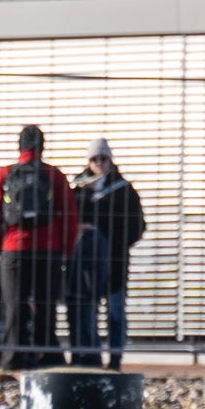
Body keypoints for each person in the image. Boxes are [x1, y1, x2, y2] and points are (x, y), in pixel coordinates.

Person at [0, 123, 73, 362]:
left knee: (14, 305)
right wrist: (65, 248)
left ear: (20, 146)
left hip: (14, 248)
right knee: (46, 305)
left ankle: (13, 357)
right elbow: (69, 214)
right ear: (42, 147)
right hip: (48, 249)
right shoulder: (54, 175)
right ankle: (48, 356)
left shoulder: (4, 174)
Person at [75, 140, 147, 365]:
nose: (99, 164)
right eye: (94, 159)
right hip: (87, 261)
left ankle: (115, 357)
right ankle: (91, 356)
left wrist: (118, 241)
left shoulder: (123, 189)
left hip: (115, 260)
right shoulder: (78, 189)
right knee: (88, 312)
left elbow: (138, 225)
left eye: (103, 158)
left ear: (110, 160)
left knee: (115, 311)